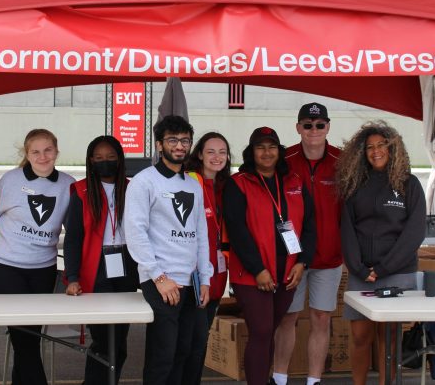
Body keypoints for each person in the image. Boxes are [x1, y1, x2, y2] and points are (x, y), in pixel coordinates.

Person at [124, 115, 213, 385]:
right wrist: (158, 277)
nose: (180, 146)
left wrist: (205, 279)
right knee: (162, 355)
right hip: (160, 280)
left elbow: (201, 235)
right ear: (159, 144)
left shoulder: (193, 184)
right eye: (173, 140)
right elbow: (135, 232)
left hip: (191, 282)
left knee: (182, 352)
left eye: (185, 140)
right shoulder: (144, 181)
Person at [223, 127, 316, 385]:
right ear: (251, 152)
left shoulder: (294, 181)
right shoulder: (238, 183)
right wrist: (258, 269)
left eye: (271, 147)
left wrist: (302, 262)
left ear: (279, 151)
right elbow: (237, 230)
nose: (266, 152)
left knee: (269, 331)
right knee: (261, 331)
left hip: (287, 273)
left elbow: (309, 225)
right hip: (252, 275)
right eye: (260, 147)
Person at [337, 120, 426, 385]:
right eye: (369, 147)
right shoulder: (355, 184)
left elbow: (414, 233)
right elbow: (347, 230)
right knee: (361, 337)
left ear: (393, 148)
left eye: (381, 146)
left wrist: (384, 268)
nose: (375, 151)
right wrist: (359, 268)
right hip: (361, 274)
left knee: (388, 342)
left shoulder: (409, 184)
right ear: (362, 153)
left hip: (397, 273)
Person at [0, 128, 75, 385]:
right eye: (35, 151)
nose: (42, 156)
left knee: (29, 337)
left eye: (48, 150)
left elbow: (74, 230)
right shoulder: (11, 181)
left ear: (56, 151)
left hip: (43, 269)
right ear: (27, 154)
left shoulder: (68, 184)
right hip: (5, 267)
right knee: (22, 336)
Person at [272, 103, 342, 385]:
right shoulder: (284, 159)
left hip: (329, 257)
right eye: (308, 124)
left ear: (328, 126)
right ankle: (279, 377)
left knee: (321, 319)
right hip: (292, 258)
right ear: (298, 127)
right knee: (288, 318)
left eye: (320, 125)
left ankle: (314, 380)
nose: (314, 130)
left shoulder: (343, 159)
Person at [63, 135, 139, 384]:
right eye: (98, 158)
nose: (104, 161)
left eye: (110, 157)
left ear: (120, 159)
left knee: (120, 340)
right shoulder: (80, 191)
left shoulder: (133, 188)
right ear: (90, 161)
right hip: (96, 268)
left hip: (127, 265)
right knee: (103, 341)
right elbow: (73, 238)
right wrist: (72, 277)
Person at [183, 132, 232, 385]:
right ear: (199, 154)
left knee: (200, 339)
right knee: (193, 338)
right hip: (193, 272)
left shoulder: (227, 186)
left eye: (222, 152)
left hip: (218, 273)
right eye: (210, 151)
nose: (216, 157)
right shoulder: (190, 182)